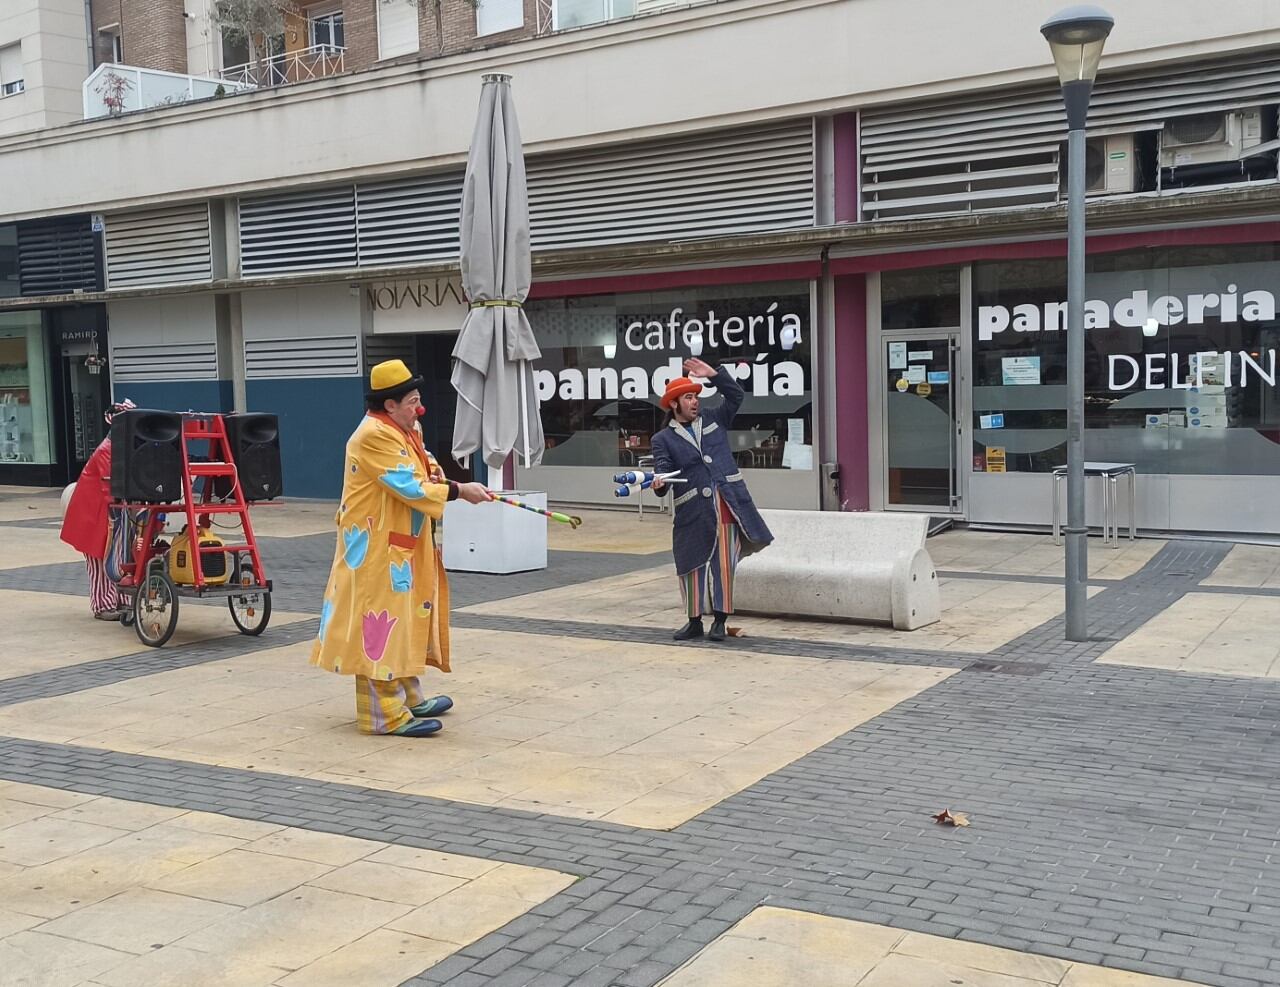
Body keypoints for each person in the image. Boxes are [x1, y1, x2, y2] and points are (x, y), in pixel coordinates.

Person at [310, 360, 492, 737]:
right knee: (379, 624)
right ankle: (383, 715)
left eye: (418, 399)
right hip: (374, 548)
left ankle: (409, 695)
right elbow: (408, 484)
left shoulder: (408, 428)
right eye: (412, 402)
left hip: (403, 543)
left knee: (406, 617)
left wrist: (441, 475)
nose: (419, 408)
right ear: (389, 405)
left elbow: (424, 464)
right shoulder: (371, 435)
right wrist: (460, 491)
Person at [650, 358, 773, 642]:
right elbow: (664, 472)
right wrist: (659, 483)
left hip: (727, 505)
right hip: (692, 511)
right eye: (688, 397)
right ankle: (693, 621)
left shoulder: (714, 419)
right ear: (674, 404)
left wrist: (714, 375)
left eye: (696, 396)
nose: (695, 402)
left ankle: (720, 620)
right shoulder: (662, 439)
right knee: (690, 565)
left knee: (724, 566)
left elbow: (736, 396)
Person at [60, 399, 136, 620]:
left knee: (118, 556)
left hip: (108, 511)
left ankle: (122, 600)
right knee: (99, 558)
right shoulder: (107, 450)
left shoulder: (118, 449)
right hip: (93, 514)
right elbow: (109, 485)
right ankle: (103, 605)